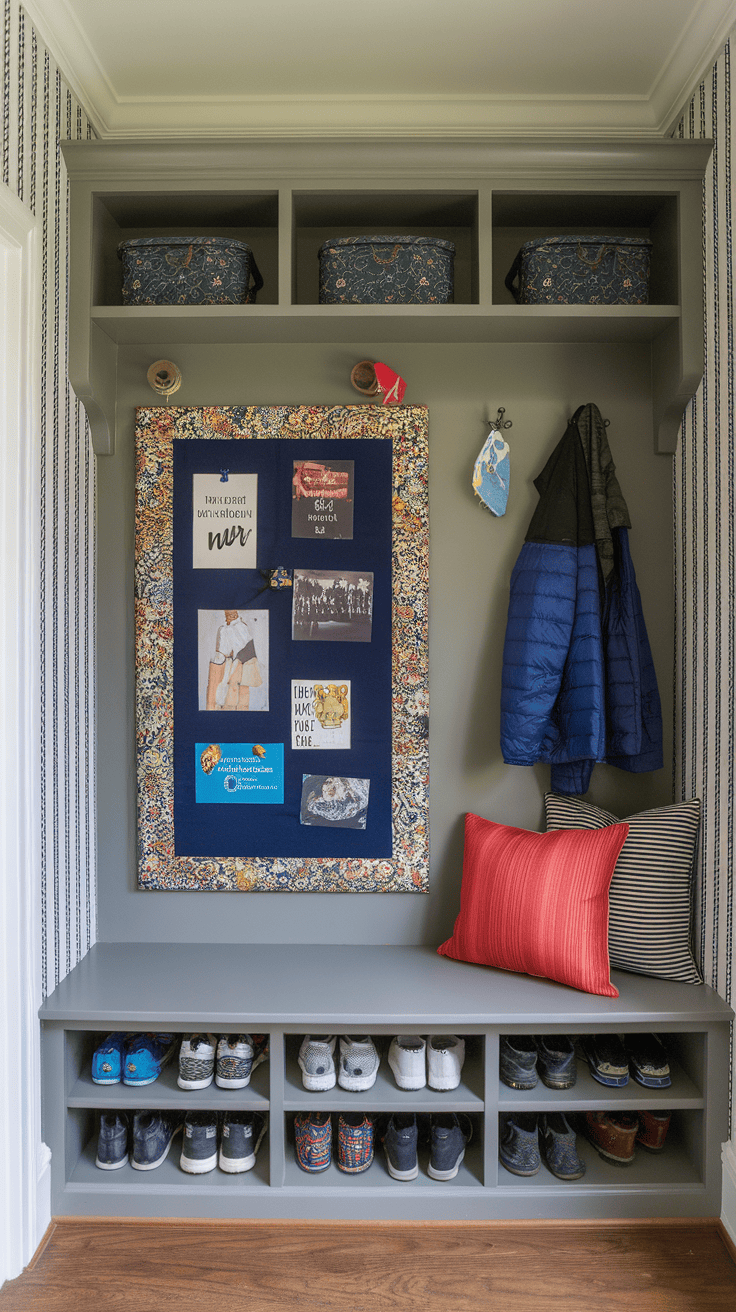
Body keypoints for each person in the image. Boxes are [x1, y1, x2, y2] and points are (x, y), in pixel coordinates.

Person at [205, 610, 263, 711]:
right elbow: (219, 656)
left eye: (232, 614)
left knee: (239, 701)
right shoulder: (223, 630)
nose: (230, 615)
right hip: (225, 669)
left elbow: (249, 658)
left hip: (238, 671)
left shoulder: (242, 628)